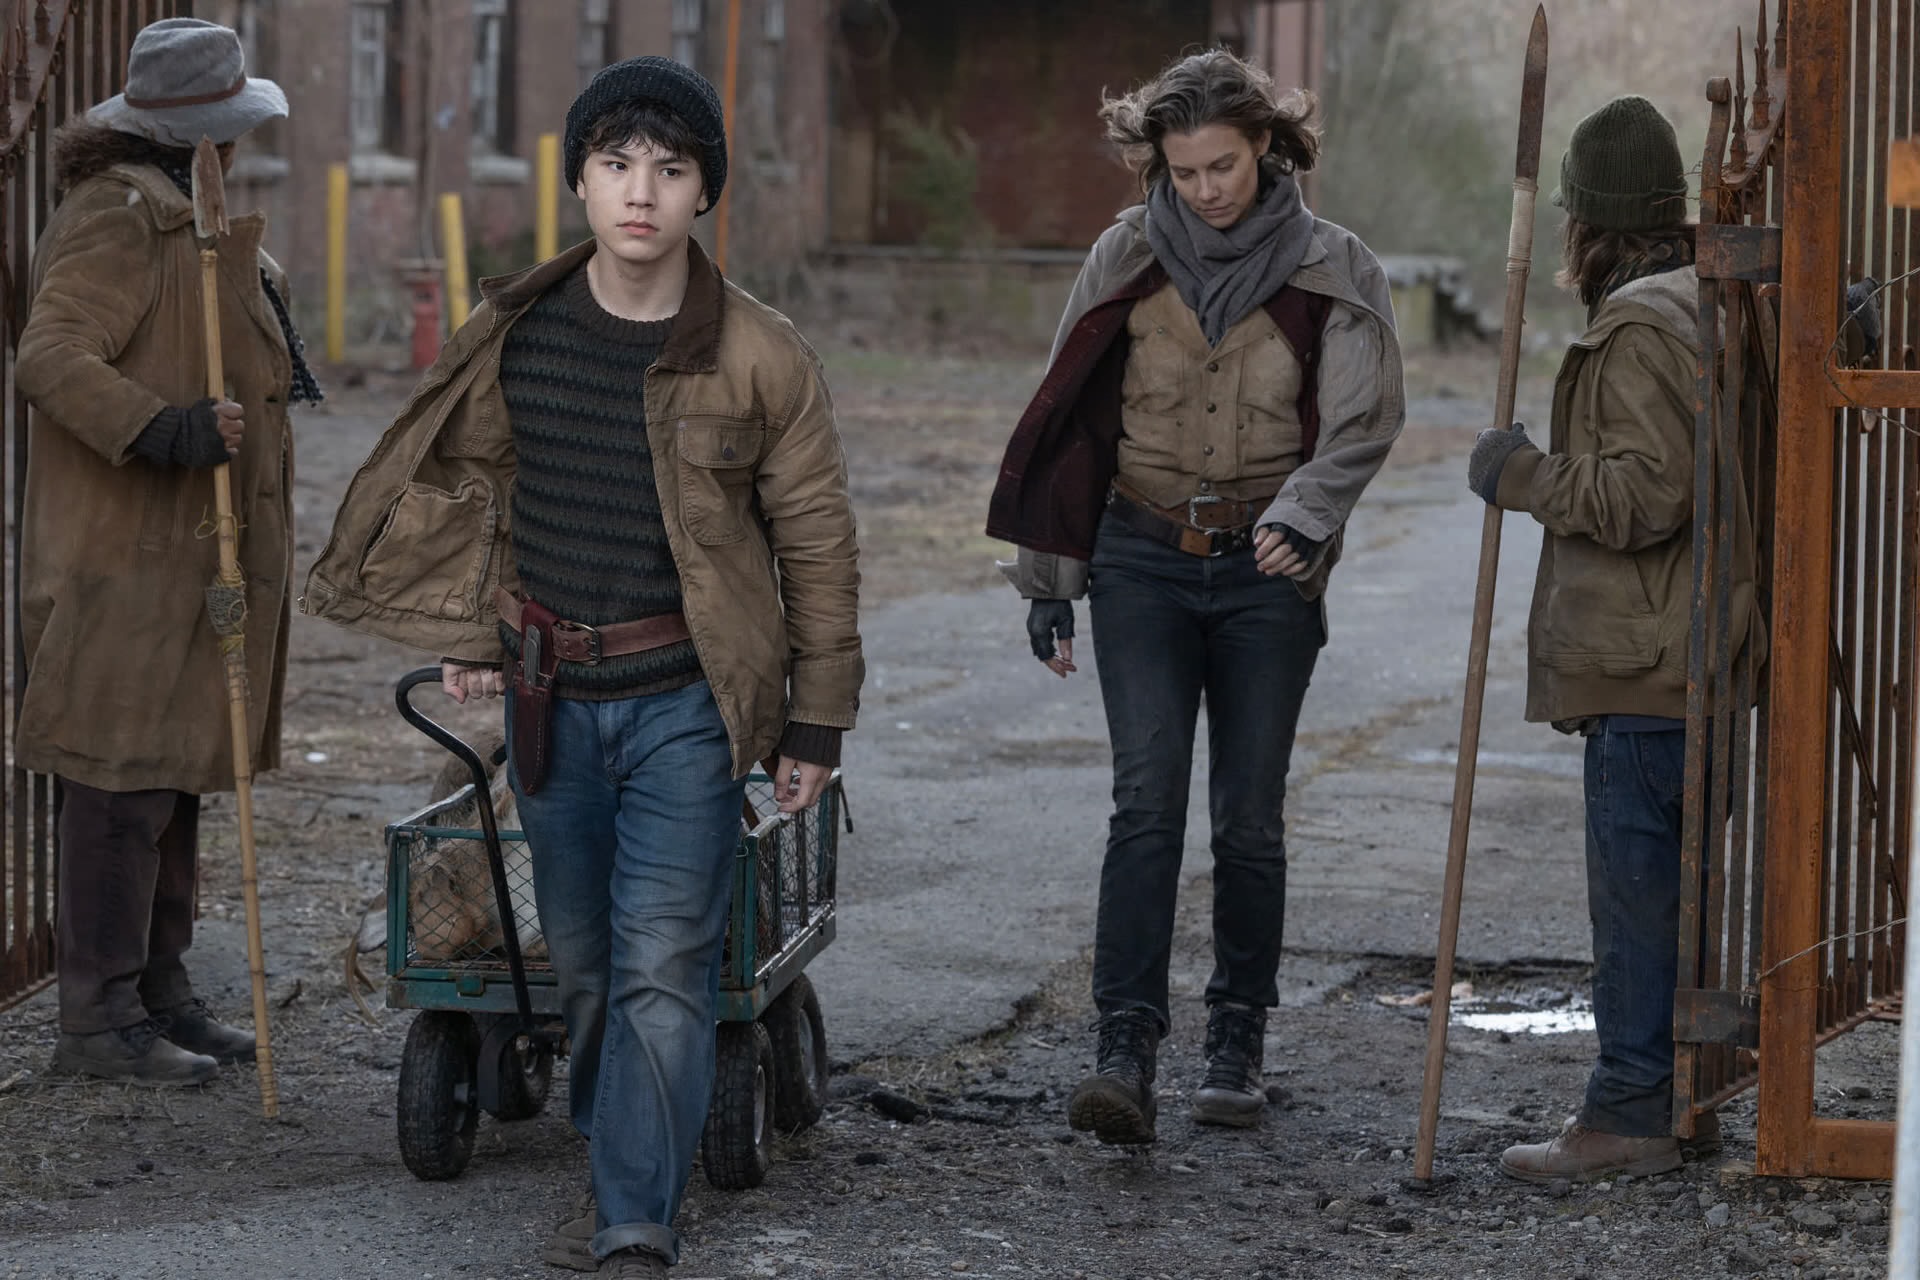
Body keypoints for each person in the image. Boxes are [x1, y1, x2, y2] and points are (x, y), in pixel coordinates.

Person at [304, 58, 862, 1278]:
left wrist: (815, 720)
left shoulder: (760, 354)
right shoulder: (516, 334)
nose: (641, 192)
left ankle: (632, 1222)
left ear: (705, 189)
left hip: (686, 705)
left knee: (664, 963)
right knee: (594, 967)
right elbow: (478, 498)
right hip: (551, 703)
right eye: (616, 165)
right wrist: (477, 631)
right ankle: (622, 1146)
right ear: (580, 181)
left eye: (670, 168)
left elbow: (818, 543)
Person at [986, 49, 1404, 1145]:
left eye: (1223, 164)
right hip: (1142, 560)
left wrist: (1304, 517)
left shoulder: (1333, 268)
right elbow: (1070, 416)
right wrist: (1050, 582)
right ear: (1157, 165)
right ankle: (1123, 1047)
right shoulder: (1124, 257)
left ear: (1264, 145)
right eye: (1185, 172)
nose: (1207, 189)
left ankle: (1236, 1037)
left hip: (1269, 571)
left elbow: (1361, 422)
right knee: (1146, 803)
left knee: (1249, 817)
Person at [1465, 95, 1763, 1182]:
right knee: (1679, 899)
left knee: (1638, 905)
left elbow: (1646, 494)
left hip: (1649, 660)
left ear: (1586, 221)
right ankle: (1688, 1097)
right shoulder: (1705, 299)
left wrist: (1522, 475)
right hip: (1698, 651)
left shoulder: (1638, 326)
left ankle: (1630, 1111)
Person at [15, 18, 313, 1087]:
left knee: (174, 769)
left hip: (182, 560)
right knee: (118, 786)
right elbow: (50, 356)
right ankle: (97, 1020)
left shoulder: (189, 213)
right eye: (228, 130)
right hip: (123, 560)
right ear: (192, 136)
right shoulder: (119, 215)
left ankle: (158, 988)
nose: (239, 146)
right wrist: (162, 427)